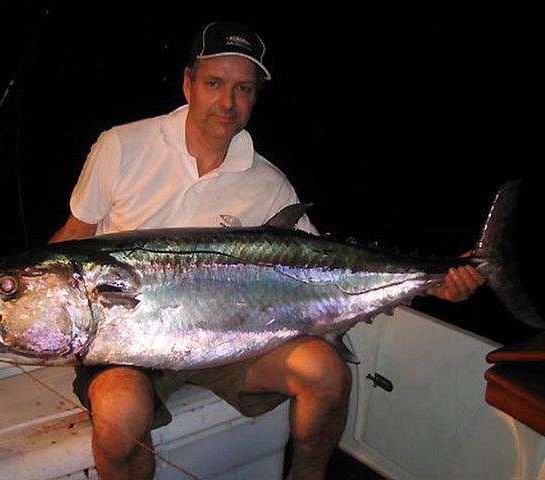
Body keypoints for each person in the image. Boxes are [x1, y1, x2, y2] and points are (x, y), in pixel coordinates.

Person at [50, 21, 485, 480]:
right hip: (125, 344)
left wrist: (435, 283)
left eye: (243, 88)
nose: (227, 102)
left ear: (255, 96)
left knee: (327, 373)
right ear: (188, 83)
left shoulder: (269, 184)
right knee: (120, 417)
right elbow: (74, 235)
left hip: (230, 342)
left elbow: (326, 272)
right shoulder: (122, 146)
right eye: (214, 83)